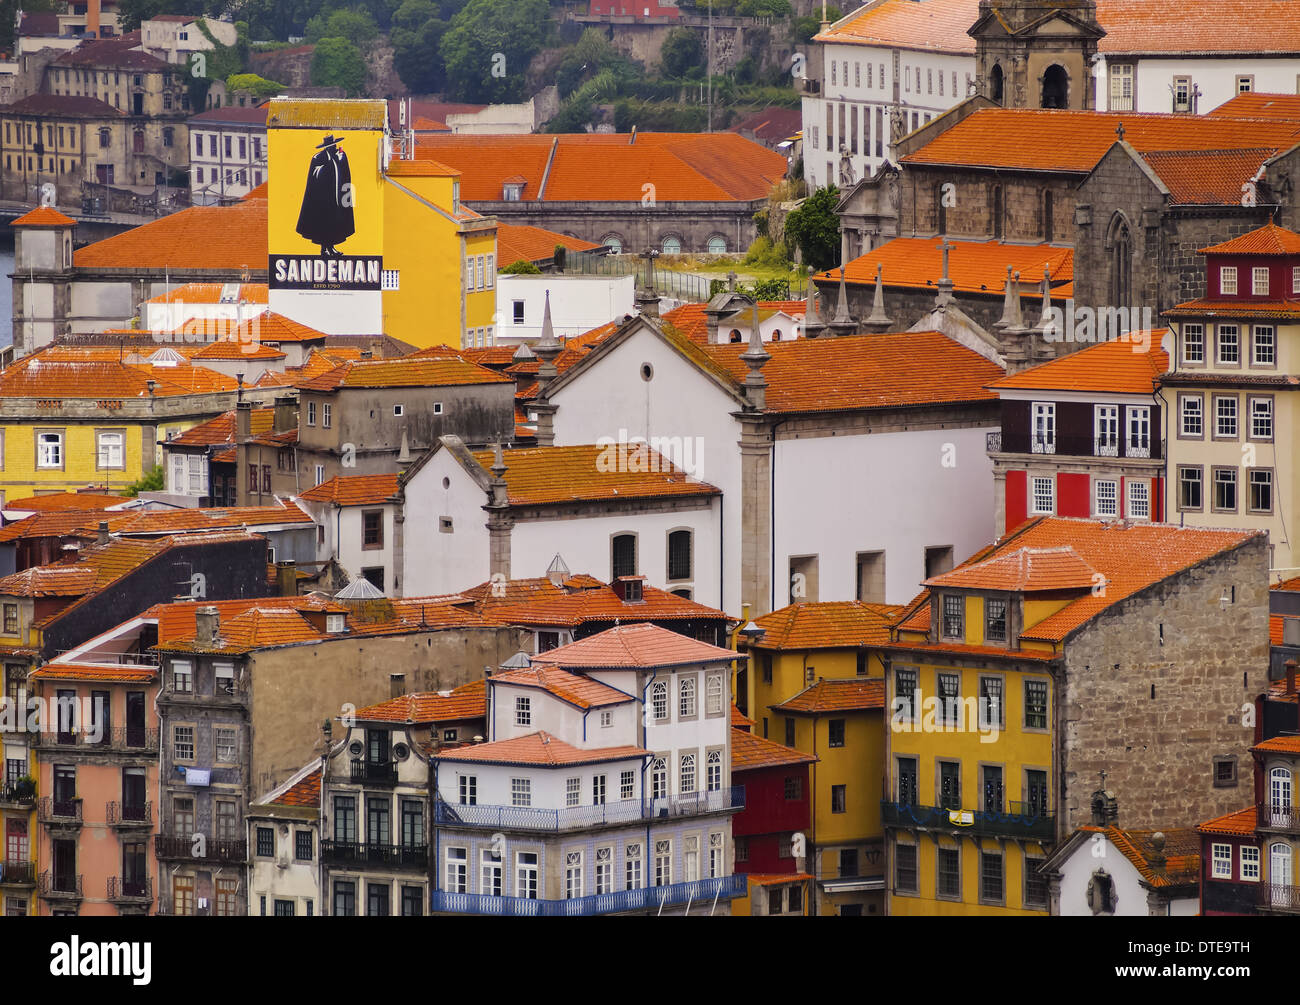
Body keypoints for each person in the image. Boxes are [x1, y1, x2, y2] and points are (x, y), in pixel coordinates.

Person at [295, 134, 354, 256]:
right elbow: (318, 175)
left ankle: (331, 247)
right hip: (322, 200)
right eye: (333, 146)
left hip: (337, 198)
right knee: (323, 224)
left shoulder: (338, 156)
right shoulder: (318, 158)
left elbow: (344, 174)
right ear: (327, 147)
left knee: (334, 223)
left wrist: (341, 159)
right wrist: (332, 163)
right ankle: (324, 249)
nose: (335, 148)